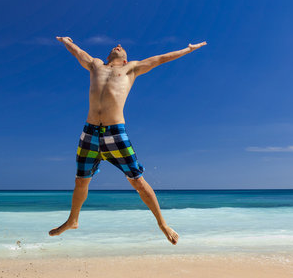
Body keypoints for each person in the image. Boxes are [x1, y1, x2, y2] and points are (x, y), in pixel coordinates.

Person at [49, 37, 207, 245]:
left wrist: (188, 49)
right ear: (108, 56)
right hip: (90, 133)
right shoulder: (96, 65)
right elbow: (78, 53)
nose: (119, 45)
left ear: (125, 60)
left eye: (123, 47)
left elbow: (161, 58)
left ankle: (162, 224)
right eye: (115, 47)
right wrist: (66, 41)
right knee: (81, 180)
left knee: (138, 181)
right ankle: (73, 220)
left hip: (116, 133)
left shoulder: (132, 68)